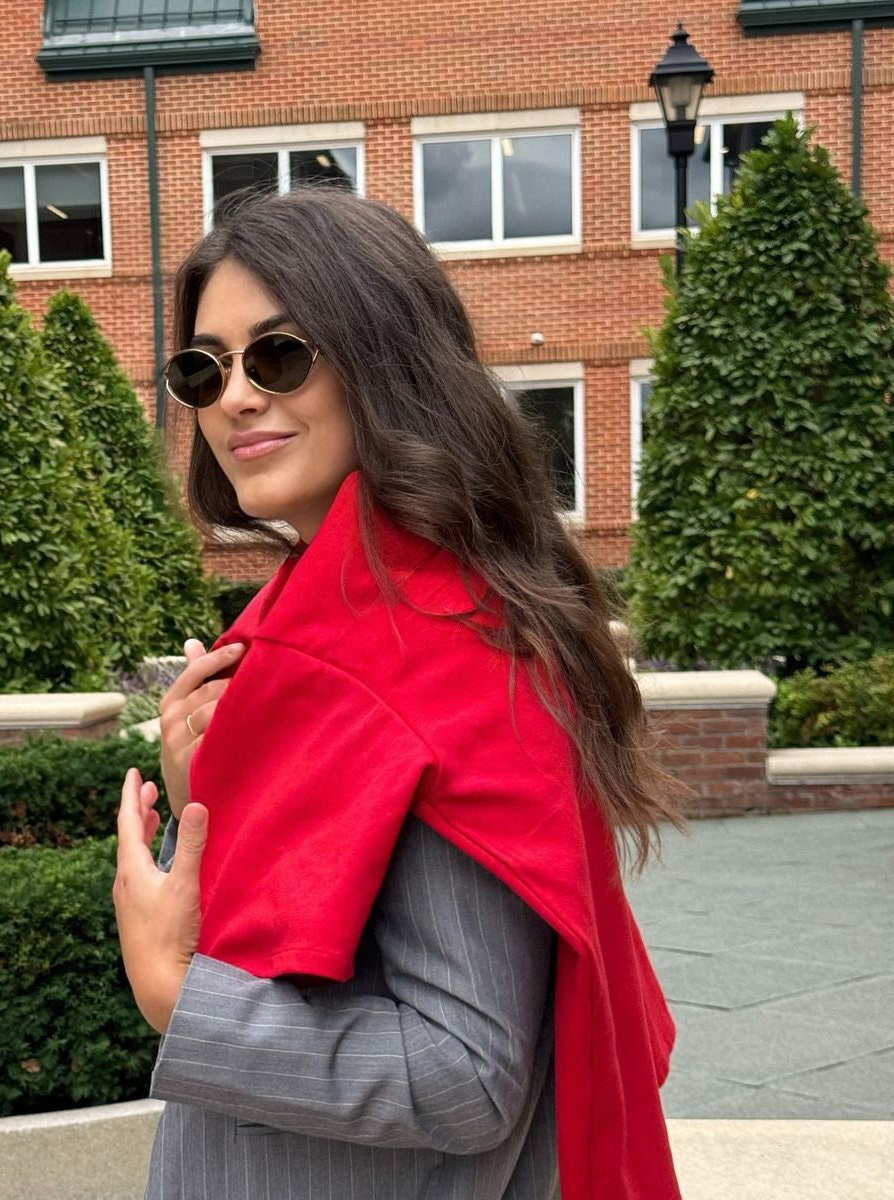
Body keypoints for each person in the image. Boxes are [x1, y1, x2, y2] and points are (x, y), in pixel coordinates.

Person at [113, 188, 685, 1200]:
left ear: (384, 361)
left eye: (278, 355)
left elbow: (466, 1074)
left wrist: (177, 996)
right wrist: (209, 788)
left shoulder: (439, 655)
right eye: (204, 369)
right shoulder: (325, 622)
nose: (235, 396)